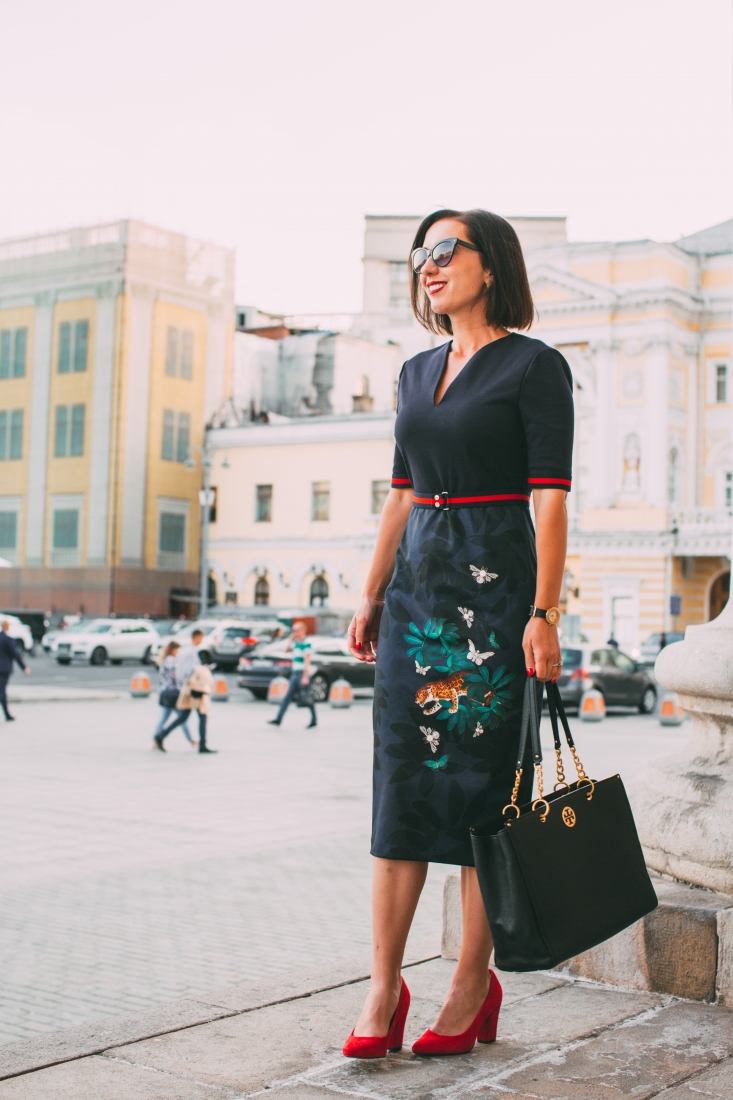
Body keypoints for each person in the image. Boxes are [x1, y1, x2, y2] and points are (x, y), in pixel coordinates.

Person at [342, 209, 573, 1059]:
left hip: (494, 592)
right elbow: (400, 493)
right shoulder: (412, 371)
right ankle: (381, 988)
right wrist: (370, 593)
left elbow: (548, 497)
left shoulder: (534, 366)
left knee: (483, 794)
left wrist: (543, 613)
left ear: (490, 265)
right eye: (420, 255)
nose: (428, 266)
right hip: (415, 594)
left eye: (446, 250)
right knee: (400, 786)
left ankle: (472, 985)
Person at [154, 630, 217, 753]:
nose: (201, 641)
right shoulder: (191, 652)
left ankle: (161, 735)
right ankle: (202, 745)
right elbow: (188, 671)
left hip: (186, 688)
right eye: (201, 638)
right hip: (194, 688)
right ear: (197, 637)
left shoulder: (184, 652)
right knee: (201, 715)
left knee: (182, 717)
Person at [268, 620, 317, 728]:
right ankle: (278, 719)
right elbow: (286, 651)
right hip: (294, 674)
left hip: (302, 674)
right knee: (287, 697)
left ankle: (314, 720)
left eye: (296, 630)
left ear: (302, 630)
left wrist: (305, 677)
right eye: (293, 630)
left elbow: (307, 661)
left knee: (307, 697)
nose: (294, 632)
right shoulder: (296, 643)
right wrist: (290, 640)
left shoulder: (306, 643)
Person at [152, 640, 195, 748]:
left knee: (163, 718)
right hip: (174, 692)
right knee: (182, 717)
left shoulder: (163, 660)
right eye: (177, 650)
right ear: (173, 650)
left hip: (164, 691)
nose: (178, 652)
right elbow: (176, 675)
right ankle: (191, 740)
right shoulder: (172, 661)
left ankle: (155, 740)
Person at [0, 620, 30, 721]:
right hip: (4, 668)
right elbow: (16, 655)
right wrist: (24, 667)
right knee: (2, 692)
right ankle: (7, 714)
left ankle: (7, 714)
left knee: (2, 692)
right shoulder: (8, 640)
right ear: (7, 627)